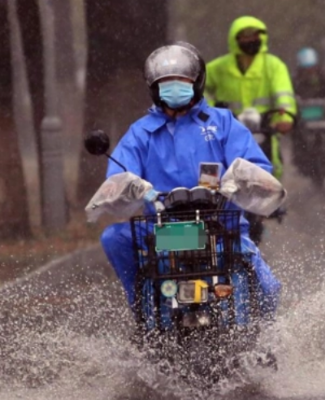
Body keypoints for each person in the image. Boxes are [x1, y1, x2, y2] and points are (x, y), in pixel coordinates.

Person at [99, 43, 281, 323]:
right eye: (165, 83)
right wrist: (139, 191)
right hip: (164, 233)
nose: (174, 88)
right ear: (153, 88)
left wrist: (232, 184)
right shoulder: (140, 133)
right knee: (114, 238)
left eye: (181, 81)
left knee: (269, 290)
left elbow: (256, 165)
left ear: (197, 83)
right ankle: (142, 311)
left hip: (220, 229)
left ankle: (258, 336)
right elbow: (118, 175)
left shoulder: (223, 123)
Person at [205, 16, 297, 181]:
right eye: (246, 36)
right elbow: (201, 91)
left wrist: (284, 118)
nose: (252, 40)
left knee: (270, 172)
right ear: (235, 39)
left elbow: (284, 95)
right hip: (227, 130)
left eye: (255, 35)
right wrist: (209, 116)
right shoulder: (217, 68)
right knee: (213, 172)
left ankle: (272, 204)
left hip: (264, 129)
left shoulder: (274, 66)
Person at [292, 46, 325, 177]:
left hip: (324, 113)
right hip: (303, 114)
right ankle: (298, 156)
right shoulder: (295, 79)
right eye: (306, 68)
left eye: (312, 67)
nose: (309, 71)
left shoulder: (324, 76)